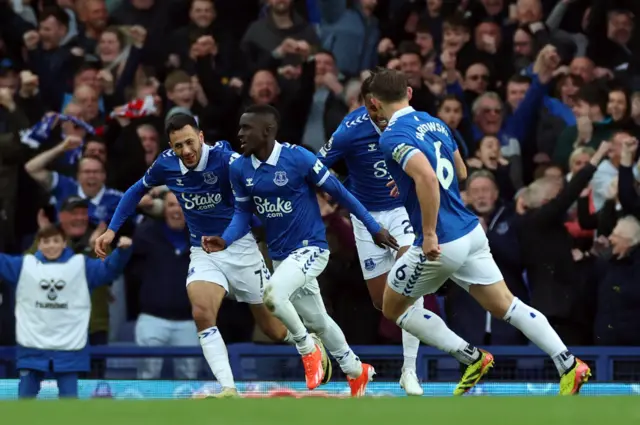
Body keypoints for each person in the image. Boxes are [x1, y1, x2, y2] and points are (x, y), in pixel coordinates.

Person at [366, 68, 591, 396]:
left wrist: (429, 232)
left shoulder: (391, 136)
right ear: (409, 94)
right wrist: (409, 179)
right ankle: (569, 363)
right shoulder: (434, 122)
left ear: (374, 104)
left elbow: (428, 179)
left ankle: (470, 357)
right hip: (470, 231)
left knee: (393, 308)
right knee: (506, 305)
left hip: (440, 240)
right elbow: (460, 170)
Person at [94, 113, 327, 398]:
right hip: (203, 251)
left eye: (190, 142)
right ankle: (228, 388)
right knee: (202, 313)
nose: (186, 151)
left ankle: (309, 342)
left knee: (274, 331)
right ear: (171, 145)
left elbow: (258, 183)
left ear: (201, 137)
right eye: (179, 146)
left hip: (241, 250)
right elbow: (134, 191)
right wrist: (111, 230)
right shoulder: (166, 164)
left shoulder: (225, 160)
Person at [202, 104, 398, 396]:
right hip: (282, 256)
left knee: (273, 295)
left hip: (311, 249)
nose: (239, 133)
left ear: (268, 131)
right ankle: (357, 371)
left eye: (246, 128)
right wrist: (226, 239)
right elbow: (243, 213)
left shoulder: (298, 158)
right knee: (319, 319)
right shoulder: (239, 168)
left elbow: (341, 192)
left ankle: (309, 350)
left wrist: (372, 227)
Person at [316, 72, 423, 396]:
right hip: (365, 216)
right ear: (367, 104)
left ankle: (410, 370)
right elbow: (320, 166)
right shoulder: (349, 131)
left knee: (410, 278)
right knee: (384, 303)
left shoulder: (409, 123)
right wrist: (339, 194)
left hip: (403, 208)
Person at [0, 224, 132, 398]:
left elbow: (108, 270)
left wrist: (121, 252)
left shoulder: (81, 266)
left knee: (69, 407)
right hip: (32, 349)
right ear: (39, 244)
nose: (51, 245)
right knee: (25, 403)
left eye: (56, 240)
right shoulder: (24, 265)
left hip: (69, 349)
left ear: (64, 243)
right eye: (46, 241)